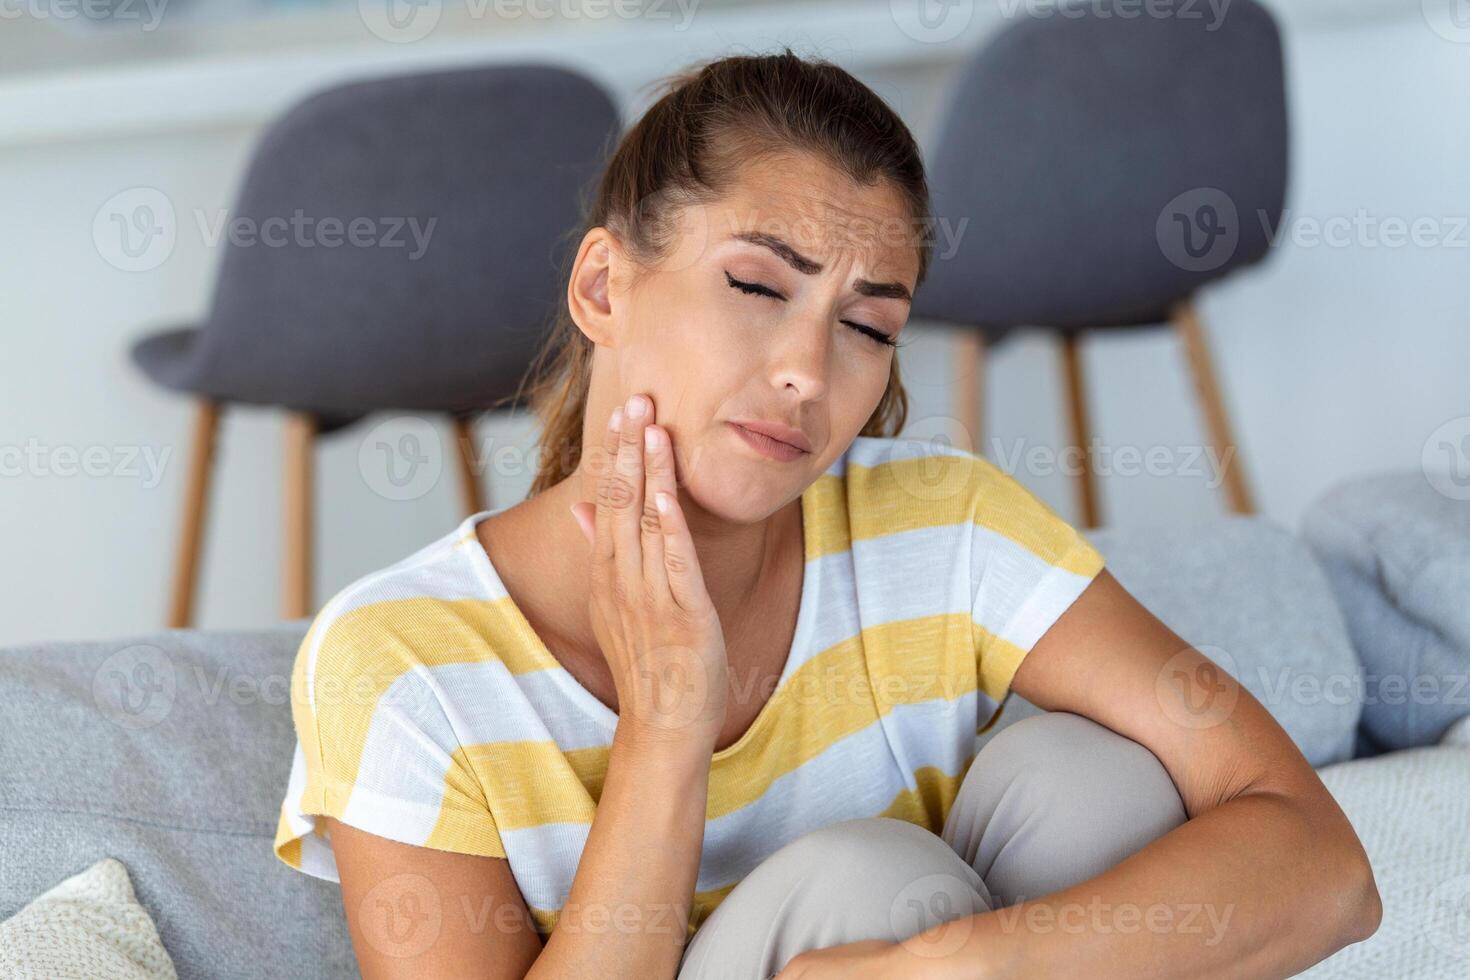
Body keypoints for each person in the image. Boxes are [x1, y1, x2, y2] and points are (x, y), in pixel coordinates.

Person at [272, 49, 1380, 980]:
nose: (807, 370)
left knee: (1099, 784)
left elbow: (1324, 862)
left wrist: (960, 966)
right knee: (869, 881)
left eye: (868, 325)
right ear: (604, 286)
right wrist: (667, 724)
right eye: (758, 286)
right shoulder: (398, 660)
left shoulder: (946, 523)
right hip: (857, 898)